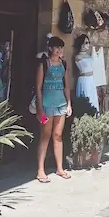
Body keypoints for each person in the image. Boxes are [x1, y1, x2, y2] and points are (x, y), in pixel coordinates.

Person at [35, 36, 72, 183]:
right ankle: (40, 170)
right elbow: (38, 87)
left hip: (60, 104)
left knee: (58, 135)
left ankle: (60, 168)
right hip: (46, 105)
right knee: (45, 135)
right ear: (50, 48)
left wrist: (69, 104)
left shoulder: (64, 64)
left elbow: (66, 86)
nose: (60, 50)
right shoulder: (44, 64)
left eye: (61, 48)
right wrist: (39, 108)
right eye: (57, 47)